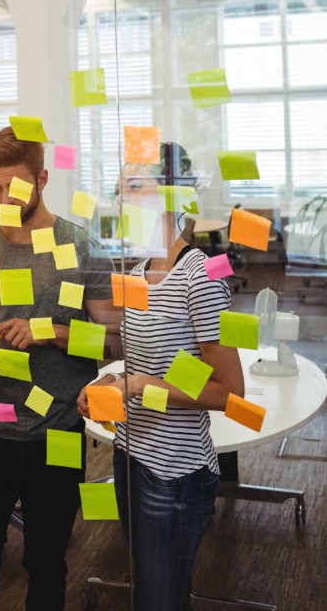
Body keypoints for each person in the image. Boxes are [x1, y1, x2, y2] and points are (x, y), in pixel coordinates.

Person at [0, 126, 114, 611]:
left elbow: (114, 341)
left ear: (42, 178)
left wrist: (50, 332)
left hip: (57, 430)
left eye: (13, 186)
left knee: (47, 569)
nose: (3, 198)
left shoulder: (82, 247)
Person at [78, 142, 244, 611]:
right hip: (130, 456)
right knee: (156, 595)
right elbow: (140, 364)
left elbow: (229, 392)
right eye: (119, 188)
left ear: (172, 194)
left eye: (134, 186)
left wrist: (140, 387)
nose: (120, 200)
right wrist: (109, 386)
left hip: (175, 473)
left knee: (159, 600)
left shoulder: (202, 275)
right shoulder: (137, 271)